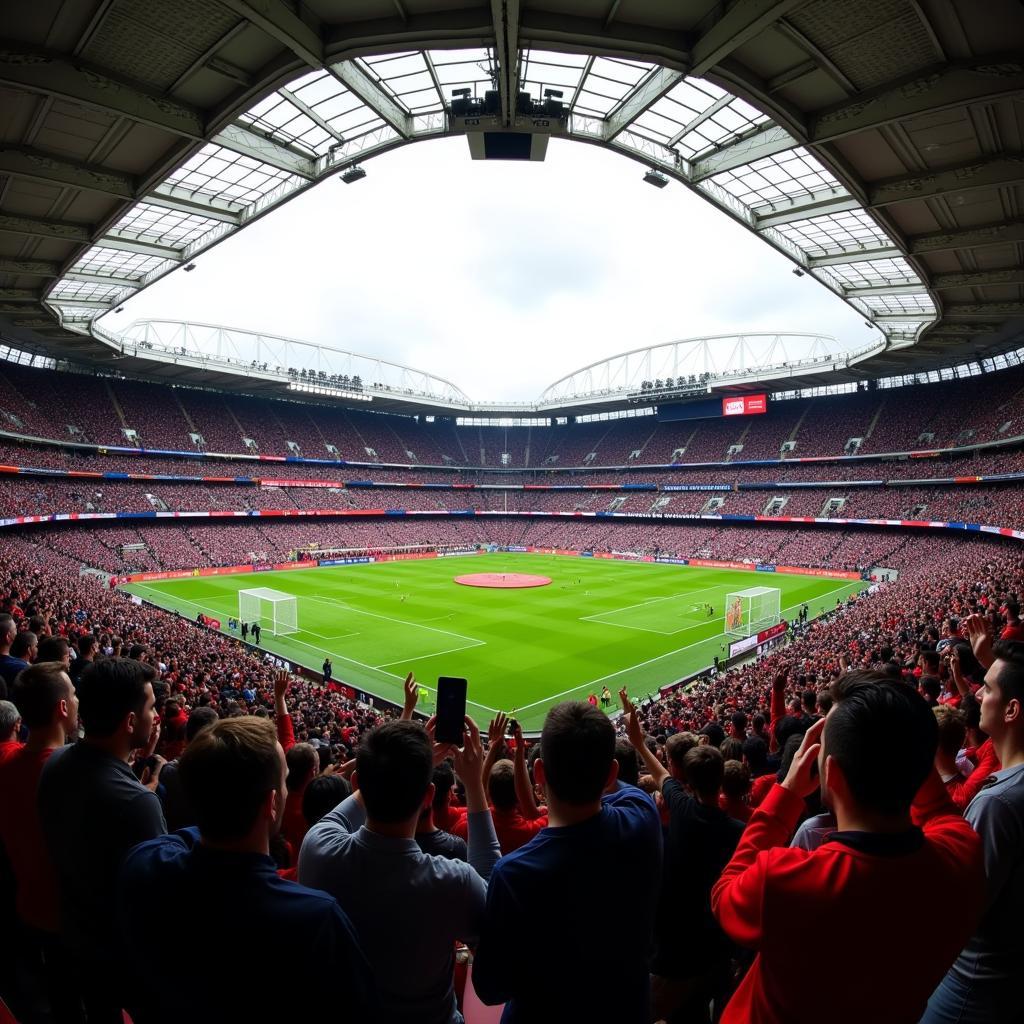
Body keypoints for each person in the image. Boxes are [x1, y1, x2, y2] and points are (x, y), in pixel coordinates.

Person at [711, 673, 984, 1024]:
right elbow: (936, 809)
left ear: (832, 773)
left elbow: (724, 895)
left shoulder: (785, 879)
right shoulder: (962, 854)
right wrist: (904, 744)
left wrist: (786, 793)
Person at [119, 718, 375, 1023]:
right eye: (283, 780)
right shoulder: (318, 920)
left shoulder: (143, 865)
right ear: (271, 803)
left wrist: (215, 806)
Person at [299, 717, 500, 1024]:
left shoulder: (318, 850)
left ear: (356, 785)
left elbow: (341, 815)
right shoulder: (451, 882)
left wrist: (401, 763)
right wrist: (474, 785)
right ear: (428, 798)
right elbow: (493, 903)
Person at [473, 701, 662, 1022]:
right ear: (611, 774)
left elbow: (491, 989)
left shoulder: (514, 874)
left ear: (539, 773)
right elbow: (628, 793)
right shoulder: (642, 816)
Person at [38, 657, 167, 1022]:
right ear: (129, 722)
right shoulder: (139, 803)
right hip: (116, 956)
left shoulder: (57, 762)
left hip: (70, 932)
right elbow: (157, 897)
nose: (156, 716)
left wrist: (130, 757)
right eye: (151, 707)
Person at [622, 692, 744, 1022]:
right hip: (718, 946)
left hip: (677, 953)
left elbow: (661, 775)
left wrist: (639, 743)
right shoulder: (739, 831)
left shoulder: (683, 809)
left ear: (686, 780)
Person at [923, 640, 1024, 1023]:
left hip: (973, 988)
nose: (978, 693)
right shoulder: (1006, 782)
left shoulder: (997, 804)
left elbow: (955, 908)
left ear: (1012, 709)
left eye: (989, 688)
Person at [0, 663, 80, 1023]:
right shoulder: (77, 776)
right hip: (72, 924)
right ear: (63, 709)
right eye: (73, 695)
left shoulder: (6, 761)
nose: (77, 699)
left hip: (24, 908)